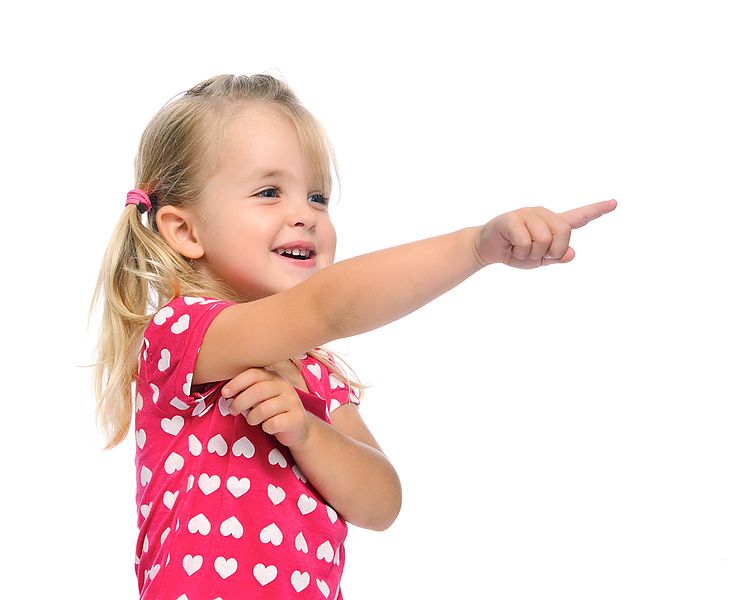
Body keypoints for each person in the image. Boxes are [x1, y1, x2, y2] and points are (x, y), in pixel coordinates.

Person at [88, 73, 617, 600]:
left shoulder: (316, 372)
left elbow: (382, 504)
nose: (306, 215)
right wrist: (474, 247)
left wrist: (309, 434)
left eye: (317, 196)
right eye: (269, 192)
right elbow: (328, 306)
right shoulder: (182, 335)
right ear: (186, 231)